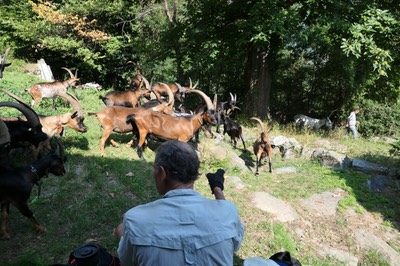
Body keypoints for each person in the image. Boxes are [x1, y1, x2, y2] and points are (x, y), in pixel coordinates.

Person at [115, 140, 244, 266]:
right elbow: (235, 245)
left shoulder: (135, 220)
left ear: (162, 173)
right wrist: (217, 189)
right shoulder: (228, 212)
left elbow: (127, 261)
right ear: (195, 174)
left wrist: (123, 234)